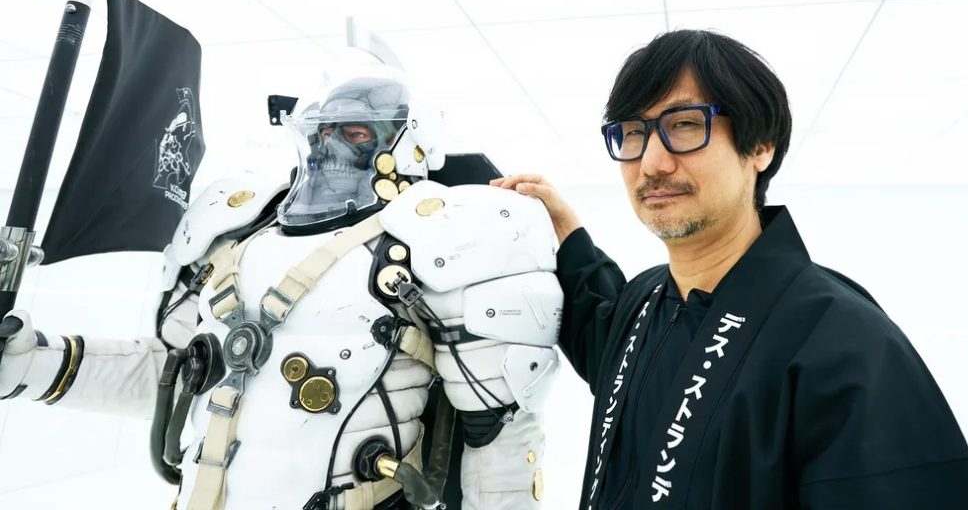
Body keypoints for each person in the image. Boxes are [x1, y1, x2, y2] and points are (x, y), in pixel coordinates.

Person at [0, 57, 563, 510]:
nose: (332, 147)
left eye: (356, 132)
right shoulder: (234, 237)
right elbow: (176, 376)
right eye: (323, 131)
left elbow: (497, 438)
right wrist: (30, 364)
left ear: (408, 143)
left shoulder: (439, 240)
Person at [493, 30, 968, 509]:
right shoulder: (647, 303)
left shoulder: (840, 340)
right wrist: (567, 232)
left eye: (684, 125)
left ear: (761, 146)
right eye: (632, 133)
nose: (652, 163)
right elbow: (601, 333)